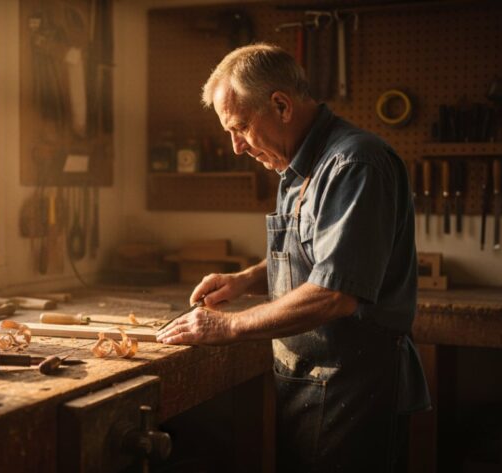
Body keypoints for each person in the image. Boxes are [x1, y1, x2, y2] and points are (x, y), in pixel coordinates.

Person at [156, 43, 431, 472]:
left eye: (241, 127)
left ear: (281, 105)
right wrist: (246, 279)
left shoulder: (353, 164)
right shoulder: (297, 165)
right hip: (309, 380)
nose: (236, 147)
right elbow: (315, 256)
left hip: (354, 388)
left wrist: (228, 325)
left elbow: (334, 293)